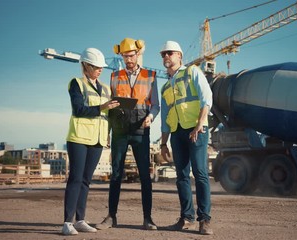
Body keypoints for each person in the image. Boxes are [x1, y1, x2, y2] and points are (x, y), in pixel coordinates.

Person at [95, 38, 160, 231]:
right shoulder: (114, 76)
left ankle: (148, 218)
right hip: (120, 131)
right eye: (124, 56)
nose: (128, 59)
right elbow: (110, 105)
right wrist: (106, 132)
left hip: (141, 130)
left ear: (138, 54)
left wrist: (151, 117)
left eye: (130, 55)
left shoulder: (151, 75)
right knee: (116, 174)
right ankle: (111, 217)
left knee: (145, 176)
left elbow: (155, 105)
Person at [62, 47, 120, 235]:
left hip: (98, 139)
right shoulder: (76, 83)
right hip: (79, 138)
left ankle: (80, 220)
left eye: (101, 67)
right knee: (75, 179)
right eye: (95, 66)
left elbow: (107, 115)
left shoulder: (104, 88)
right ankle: (67, 223)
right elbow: (78, 109)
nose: (99, 69)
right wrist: (102, 106)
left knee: (86, 180)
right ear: (85, 65)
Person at [159, 41, 214, 235]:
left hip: (196, 130)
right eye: (163, 54)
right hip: (177, 133)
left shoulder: (192, 72)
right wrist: (163, 143)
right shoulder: (165, 87)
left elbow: (206, 98)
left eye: (170, 53)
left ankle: (204, 219)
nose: (166, 56)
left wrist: (200, 123)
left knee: (200, 173)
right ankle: (186, 217)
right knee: (181, 177)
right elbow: (165, 118)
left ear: (179, 56)